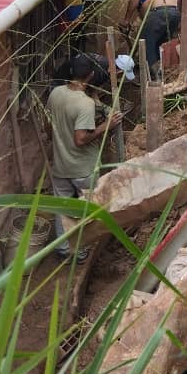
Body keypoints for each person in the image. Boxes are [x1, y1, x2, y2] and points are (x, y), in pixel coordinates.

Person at [46, 55, 122, 261]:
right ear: (90, 76)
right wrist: (105, 126)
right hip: (83, 167)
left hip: (60, 164)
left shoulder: (55, 93)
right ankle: (80, 250)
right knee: (87, 207)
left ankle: (63, 248)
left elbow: (51, 123)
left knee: (61, 207)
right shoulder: (85, 104)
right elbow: (81, 139)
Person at [124, 0, 180, 80]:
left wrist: (126, 20)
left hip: (158, 12)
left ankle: (153, 77)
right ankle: (166, 73)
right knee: (163, 44)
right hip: (175, 12)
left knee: (146, 45)